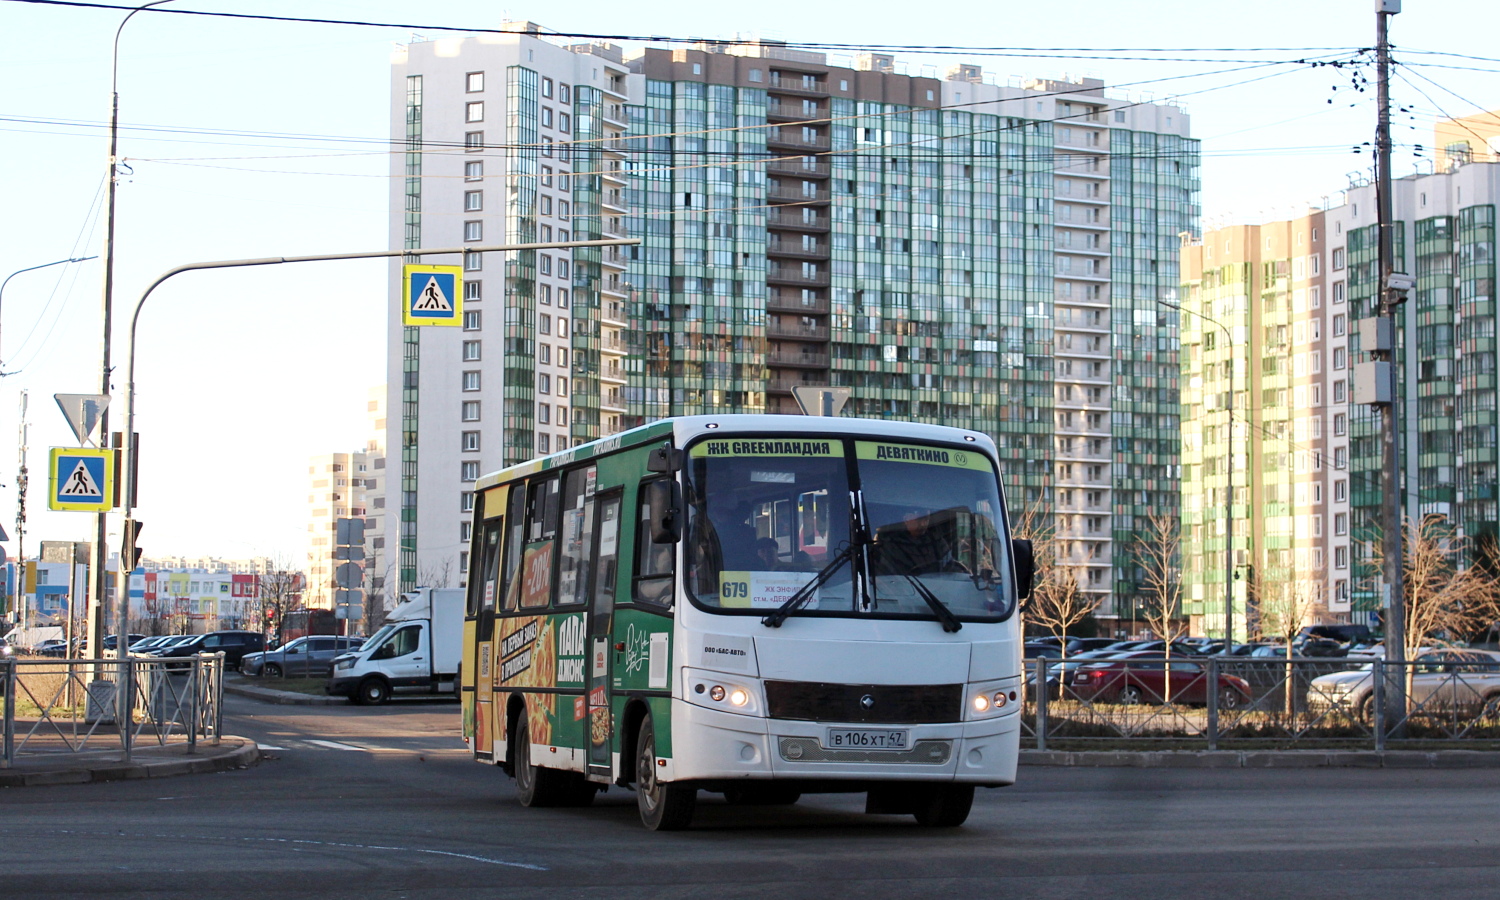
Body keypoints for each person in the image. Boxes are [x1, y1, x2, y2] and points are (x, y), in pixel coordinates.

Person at [874, 508, 955, 576]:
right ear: (906, 518)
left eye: (927, 520)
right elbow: (885, 576)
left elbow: (949, 568)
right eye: (919, 520)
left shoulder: (937, 542)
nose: (923, 524)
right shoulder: (890, 545)